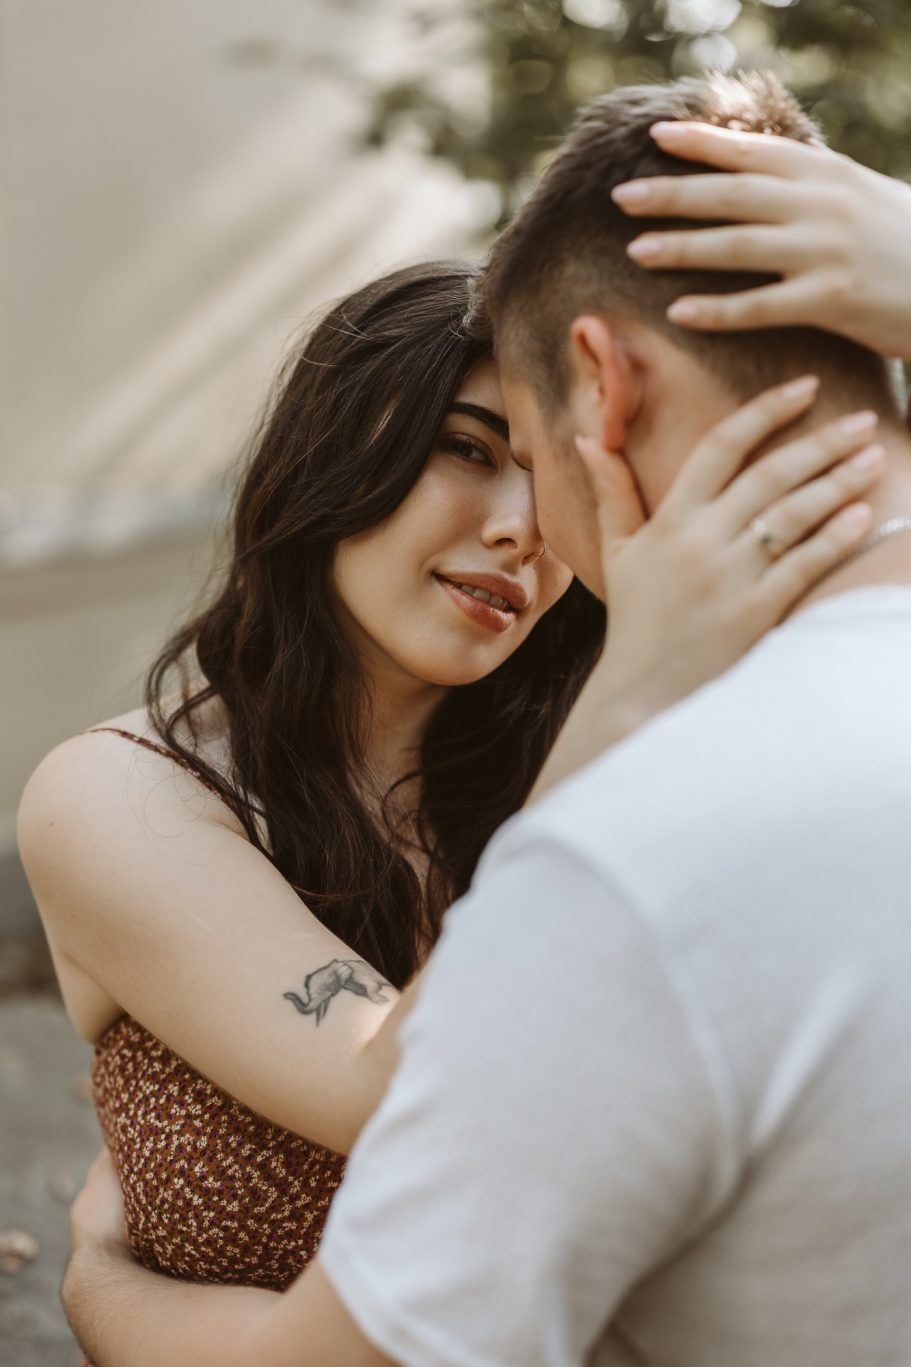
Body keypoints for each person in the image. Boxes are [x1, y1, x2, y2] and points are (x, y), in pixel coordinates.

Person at [56, 70, 911, 1366]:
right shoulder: (119, 793)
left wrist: (114, 1303)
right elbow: (382, 1083)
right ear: (341, 456)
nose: (522, 527)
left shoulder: (590, 756)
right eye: (467, 447)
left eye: (533, 460)